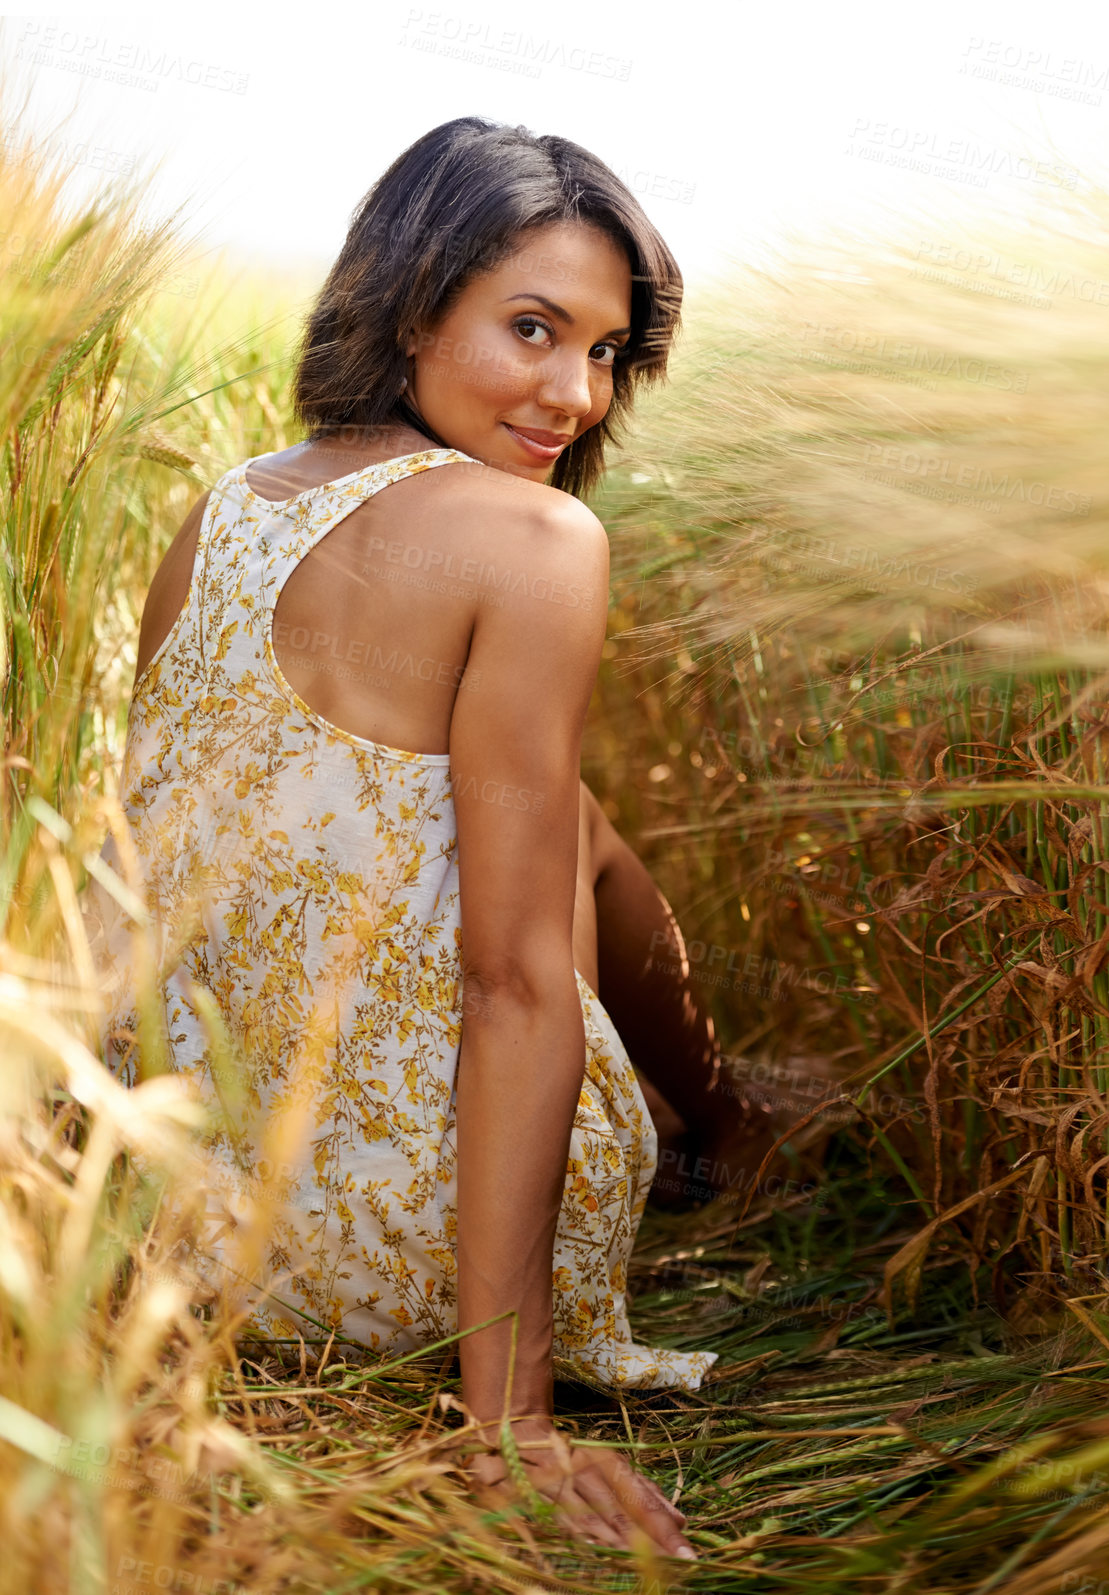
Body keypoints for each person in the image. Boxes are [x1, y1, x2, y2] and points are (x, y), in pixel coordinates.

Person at [86, 115, 786, 1561]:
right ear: (413, 303)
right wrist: (509, 1420)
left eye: (604, 354)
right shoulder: (535, 546)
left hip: (189, 1233)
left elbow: (150, 895)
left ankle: (724, 1119)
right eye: (532, 329)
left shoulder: (223, 506)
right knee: (545, 857)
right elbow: (513, 982)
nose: (573, 395)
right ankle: (729, 1127)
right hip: (409, 1258)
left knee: (547, 814)